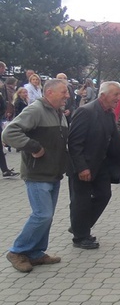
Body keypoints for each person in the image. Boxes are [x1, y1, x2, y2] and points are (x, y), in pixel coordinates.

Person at [2, 79, 70, 273]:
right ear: (49, 93)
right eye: (63, 92)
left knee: (47, 217)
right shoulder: (36, 110)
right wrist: (34, 147)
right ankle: (17, 251)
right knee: (42, 214)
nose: (67, 95)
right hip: (37, 173)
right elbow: (9, 133)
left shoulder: (58, 113)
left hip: (53, 172)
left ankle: (36, 253)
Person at [67, 82, 120, 250]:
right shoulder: (86, 112)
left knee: (104, 195)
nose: (118, 98)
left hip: (101, 165)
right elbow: (74, 143)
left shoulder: (108, 113)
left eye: (119, 94)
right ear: (103, 95)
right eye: (115, 94)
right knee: (81, 201)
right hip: (83, 166)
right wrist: (81, 167)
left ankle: (79, 226)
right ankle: (80, 237)